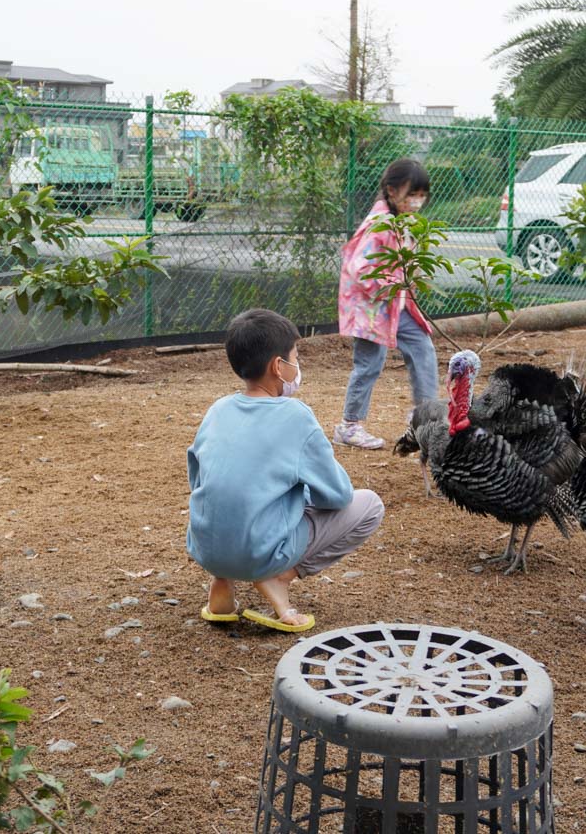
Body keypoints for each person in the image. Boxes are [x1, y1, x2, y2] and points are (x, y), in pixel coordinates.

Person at [186, 308, 385, 632]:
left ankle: (221, 584)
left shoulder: (217, 410)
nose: (297, 364)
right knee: (370, 505)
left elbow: (200, 480)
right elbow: (337, 495)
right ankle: (279, 577)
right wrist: (299, 493)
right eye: (295, 356)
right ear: (278, 367)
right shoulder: (296, 416)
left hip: (205, 547)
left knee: (236, 498)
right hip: (260, 551)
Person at [333, 158, 439, 450]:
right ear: (392, 192)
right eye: (411, 195)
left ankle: (425, 416)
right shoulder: (379, 224)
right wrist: (394, 283)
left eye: (421, 196)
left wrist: (410, 277)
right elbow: (360, 267)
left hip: (396, 305)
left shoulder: (406, 222)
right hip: (370, 309)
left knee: (422, 346)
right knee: (370, 363)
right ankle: (349, 426)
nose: (417, 202)